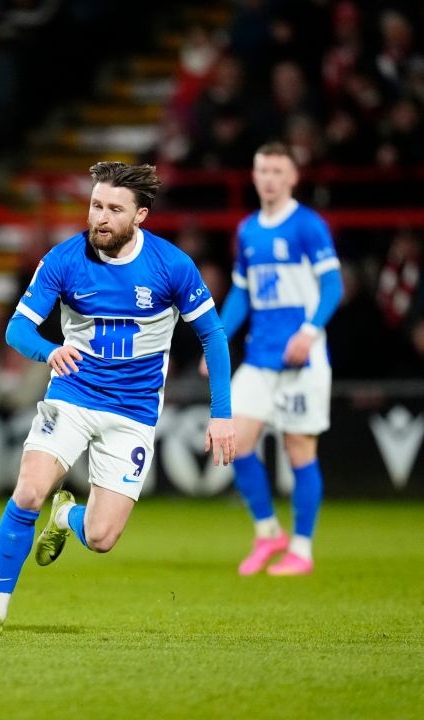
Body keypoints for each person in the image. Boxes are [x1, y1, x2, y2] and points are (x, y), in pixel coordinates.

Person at [0, 162, 236, 637]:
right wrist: (49, 351)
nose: (100, 217)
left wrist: (223, 415)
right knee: (27, 491)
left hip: (133, 411)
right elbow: (17, 329)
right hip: (73, 395)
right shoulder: (64, 259)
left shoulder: (172, 266)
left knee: (103, 538)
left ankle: (67, 515)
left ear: (141, 215)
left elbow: (213, 335)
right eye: (95, 205)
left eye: (113, 209)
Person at [202, 142, 343, 576]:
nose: (269, 179)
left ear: (293, 178)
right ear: (254, 174)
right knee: (234, 442)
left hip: (302, 359)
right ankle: (268, 533)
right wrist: (218, 340)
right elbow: (243, 290)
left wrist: (308, 331)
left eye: (278, 171)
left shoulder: (308, 226)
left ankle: (301, 548)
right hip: (261, 357)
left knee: (299, 448)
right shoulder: (247, 230)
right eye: (262, 170)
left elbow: (333, 286)